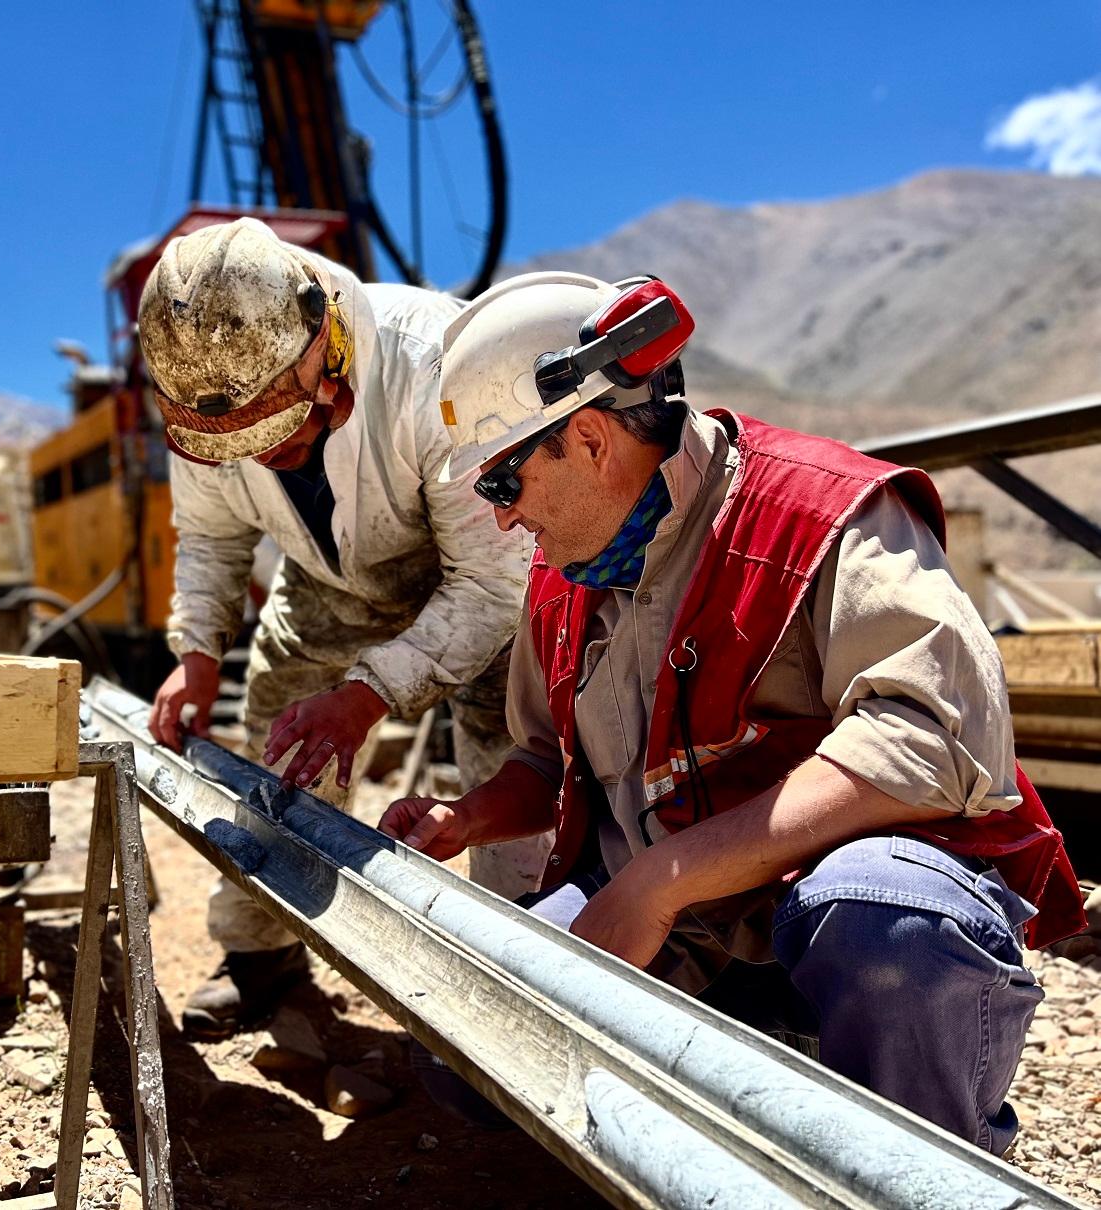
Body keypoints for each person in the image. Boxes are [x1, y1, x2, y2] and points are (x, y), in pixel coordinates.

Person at [379, 270, 1085, 1153]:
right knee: (470, 1036)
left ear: (589, 439)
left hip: (822, 924)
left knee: (892, 928)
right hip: (690, 935)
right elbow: (544, 760)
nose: (504, 522)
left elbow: (930, 735)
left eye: (501, 485)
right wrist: (466, 817)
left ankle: (925, 1160)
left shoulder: (819, 516)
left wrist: (659, 881)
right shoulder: (568, 579)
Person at [138, 218, 540, 1037]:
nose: (266, 458)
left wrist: (366, 698)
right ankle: (263, 959)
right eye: (242, 446)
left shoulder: (436, 365)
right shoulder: (202, 392)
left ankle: (520, 976)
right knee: (277, 744)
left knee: (514, 748)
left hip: (479, 573)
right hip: (327, 584)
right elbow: (212, 536)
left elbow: (493, 586)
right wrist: (197, 649)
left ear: (325, 348)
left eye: (279, 430)